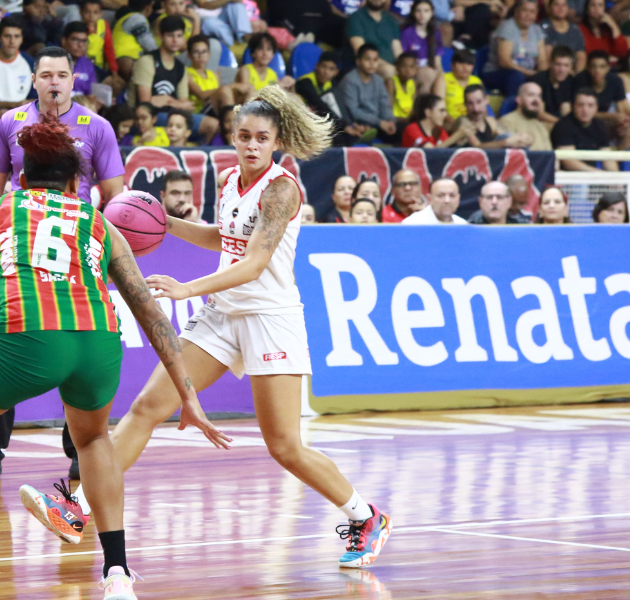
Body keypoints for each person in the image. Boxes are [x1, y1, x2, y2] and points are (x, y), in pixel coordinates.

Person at [26, 86, 395, 570]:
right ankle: (76, 506)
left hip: (269, 319)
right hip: (223, 315)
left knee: (284, 446)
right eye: (243, 136)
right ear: (233, 136)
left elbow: (257, 261)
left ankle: (366, 516)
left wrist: (187, 288)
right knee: (145, 408)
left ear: (276, 140)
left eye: (261, 138)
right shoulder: (228, 180)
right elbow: (224, 238)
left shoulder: (283, 189)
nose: (251, 145)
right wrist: (164, 222)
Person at [0, 117, 218, 600]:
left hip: (26, 339)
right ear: (76, 183)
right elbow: (151, 312)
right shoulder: (100, 222)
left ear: (21, 178)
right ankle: (117, 577)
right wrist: (187, 395)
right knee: (92, 442)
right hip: (98, 340)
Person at [0, 46, 127, 478]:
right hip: (20, 243)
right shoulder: (11, 122)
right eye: (46, 74)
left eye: (62, 75)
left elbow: (117, 196)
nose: (54, 82)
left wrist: (109, 249)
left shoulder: (97, 127)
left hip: (75, 247)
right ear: (33, 79)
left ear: (73, 80)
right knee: (2, 338)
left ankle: (78, 453)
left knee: (77, 341)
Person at [132, 16, 219, 143]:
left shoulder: (181, 68)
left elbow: (185, 105)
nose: (175, 40)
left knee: (214, 124)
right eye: (170, 36)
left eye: (179, 36)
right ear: (160, 36)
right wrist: (176, 103)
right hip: (150, 117)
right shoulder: (148, 61)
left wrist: (168, 100)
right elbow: (146, 103)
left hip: (174, 116)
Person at [482, 0, 546, 99]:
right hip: (496, 73)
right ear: (516, 12)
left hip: (527, 73)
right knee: (517, 76)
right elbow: (504, 62)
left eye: (532, 12)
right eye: (525, 10)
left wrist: (542, 74)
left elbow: (542, 60)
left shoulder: (537, 30)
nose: (528, 15)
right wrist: (528, 73)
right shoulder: (507, 28)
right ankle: (512, 107)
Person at [339, 44, 398, 142]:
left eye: (375, 60)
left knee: (401, 130)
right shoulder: (350, 80)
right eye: (367, 59)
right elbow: (353, 111)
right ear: (358, 61)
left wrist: (390, 121)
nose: (372, 64)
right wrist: (379, 123)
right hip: (358, 123)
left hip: (378, 123)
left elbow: (384, 104)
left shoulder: (378, 80)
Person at [574, 50, 630, 148]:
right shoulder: (580, 80)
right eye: (594, 66)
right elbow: (580, 113)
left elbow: (624, 107)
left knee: (626, 129)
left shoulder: (615, 81)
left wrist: (625, 121)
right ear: (588, 68)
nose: (597, 71)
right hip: (583, 122)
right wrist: (612, 116)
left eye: (602, 67)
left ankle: (619, 159)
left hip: (604, 122)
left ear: (608, 68)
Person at [551, 87, 619, 171]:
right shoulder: (563, 126)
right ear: (573, 106)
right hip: (566, 178)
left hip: (592, 176)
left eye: (590, 105)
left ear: (596, 108)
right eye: (581, 105)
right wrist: (598, 175)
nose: (585, 110)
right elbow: (568, 162)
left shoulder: (600, 126)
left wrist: (615, 178)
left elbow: (608, 158)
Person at [187, 34, 251, 115]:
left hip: (215, 107)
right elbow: (201, 95)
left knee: (249, 88)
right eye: (196, 52)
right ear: (189, 55)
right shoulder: (187, 73)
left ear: (209, 54)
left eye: (204, 52)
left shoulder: (214, 74)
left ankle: (248, 118)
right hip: (200, 110)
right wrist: (232, 86)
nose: (201, 56)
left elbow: (220, 94)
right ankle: (230, 118)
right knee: (224, 90)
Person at [458, 84, 533, 148]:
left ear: (486, 100)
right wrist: (505, 142)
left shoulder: (490, 121)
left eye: (479, 102)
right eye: (470, 104)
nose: (475, 108)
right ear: (465, 105)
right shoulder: (463, 121)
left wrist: (522, 138)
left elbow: (505, 136)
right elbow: (477, 146)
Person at [347, 0, 403, 80]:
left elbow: (398, 51)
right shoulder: (356, 18)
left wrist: (402, 67)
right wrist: (393, 68)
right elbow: (361, 52)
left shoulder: (390, 20)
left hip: (392, 67)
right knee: (388, 70)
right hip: (369, 66)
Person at [400, 0, 443, 93]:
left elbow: (437, 63)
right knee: (428, 74)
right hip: (412, 70)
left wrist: (441, 75)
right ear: (413, 13)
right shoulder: (407, 32)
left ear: (432, 13)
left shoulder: (436, 34)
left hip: (430, 69)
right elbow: (402, 58)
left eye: (426, 11)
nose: (422, 15)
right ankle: (422, 106)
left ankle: (439, 106)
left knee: (442, 79)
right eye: (418, 11)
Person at [499, 81, 554, 151]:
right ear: (519, 100)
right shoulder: (507, 121)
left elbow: (550, 156)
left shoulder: (540, 125)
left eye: (539, 96)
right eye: (531, 95)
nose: (536, 100)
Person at [402, 94, 472, 147]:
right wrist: (456, 136)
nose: (445, 115)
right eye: (441, 111)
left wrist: (459, 140)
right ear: (428, 112)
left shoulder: (440, 131)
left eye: (445, 111)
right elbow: (430, 153)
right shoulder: (412, 129)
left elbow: (445, 151)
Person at [530, 45, 576, 126]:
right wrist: (563, 124)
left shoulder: (571, 81)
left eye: (566, 65)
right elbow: (539, 114)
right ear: (550, 64)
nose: (562, 70)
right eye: (558, 64)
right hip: (537, 122)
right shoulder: (538, 80)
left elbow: (566, 110)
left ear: (571, 67)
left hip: (559, 123)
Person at [113, 0, 158, 81]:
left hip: (120, 60)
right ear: (148, 8)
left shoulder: (124, 17)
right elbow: (147, 43)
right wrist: (161, 55)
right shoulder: (137, 18)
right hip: (128, 60)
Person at [434, 48, 481, 122]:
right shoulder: (443, 79)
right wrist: (453, 121)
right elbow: (438, 108)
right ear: (452, 65)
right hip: (450, 121)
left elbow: (482, 107)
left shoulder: (477, 81)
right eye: (461, 63)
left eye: (469, 64)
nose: (465, 67)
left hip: (474, 119)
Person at [542, 0, 587, 72]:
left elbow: (581, 57)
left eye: (564, 5)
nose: (561, 8)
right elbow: (549, 57)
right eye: (556, 5)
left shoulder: (575, 29)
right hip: (553, 72)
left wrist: (577, 75)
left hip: (573, 74)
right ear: (549, 7)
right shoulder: (544, 27)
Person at [580, 0, 628, 67]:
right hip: (591, 69)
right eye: (593, 5)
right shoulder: (580, 29)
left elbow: (622, 52)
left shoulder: (608, 29)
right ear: (587, 9)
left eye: (600, 5)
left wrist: (613, 26)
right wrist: (607, 58)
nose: (597, 9)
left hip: (611, 70)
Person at [402, 177, 468, 223]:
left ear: (458, 198)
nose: (447, 200)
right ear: (429, 199)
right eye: (440, 195)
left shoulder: (463, 225)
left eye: (452, 195)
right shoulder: (412, 224)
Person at [62, 22, 99, 97]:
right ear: (64, 41)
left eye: (84, 41)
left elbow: (91, 95)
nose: (80, 45)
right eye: (75, 40)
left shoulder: (88, 65)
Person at [82, 0, 118, 74]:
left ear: (101, 14)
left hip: (99, 67)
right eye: (87, 12)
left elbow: (109, 48)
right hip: (83, 67)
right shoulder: (78, 27)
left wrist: (114, 71)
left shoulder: (103, 25)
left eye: (95, 12)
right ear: (81, 13)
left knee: (118, 84)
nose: (91, 16)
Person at [388, 53, 418, 125]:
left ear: (416, 69)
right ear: (397, 67)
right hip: (395, 121)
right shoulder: (391, 82)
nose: (407, 70)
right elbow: (388, 109)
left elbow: (414, 107)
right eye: (404, 66)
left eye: (411, 67)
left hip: (408, 121)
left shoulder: (413, 83)